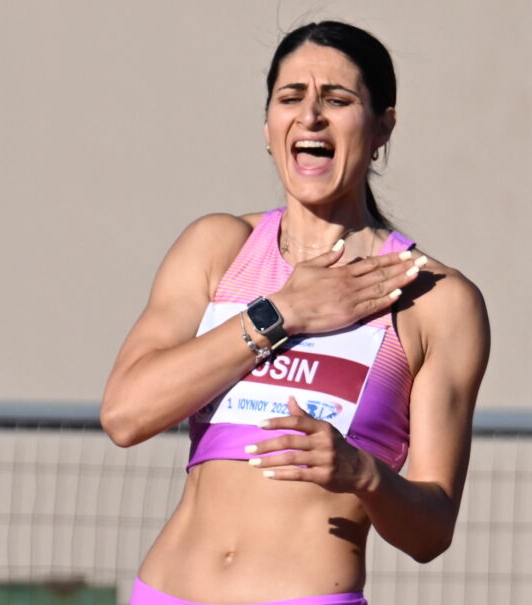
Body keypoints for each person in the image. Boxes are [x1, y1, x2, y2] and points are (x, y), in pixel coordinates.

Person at [101, 20, 490, 605]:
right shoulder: (217, 248)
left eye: (337, 100)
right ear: (268, 126)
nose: (310, 116)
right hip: (167, 592)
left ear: (383, 127)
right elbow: (125, 415)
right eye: (291, 97)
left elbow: (431, 533)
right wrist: (282, 311)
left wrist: (363, 473)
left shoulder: (435, 299)